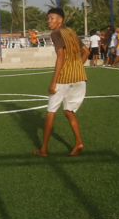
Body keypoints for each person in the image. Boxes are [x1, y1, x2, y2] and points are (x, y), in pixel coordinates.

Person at [35, 9, 89, 157]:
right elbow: (86, 52)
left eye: (52, 18)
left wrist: (53, 82)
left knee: (50, 112)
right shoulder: (71, 32)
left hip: (64, 78)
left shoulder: (56, 33)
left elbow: (60, 57)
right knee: (68, 111)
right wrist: (77, 67)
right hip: (79, 78)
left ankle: (44, 149)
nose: (49, 21)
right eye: (48, 18)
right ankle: (79, 143)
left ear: (60, 21)